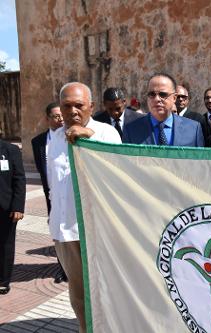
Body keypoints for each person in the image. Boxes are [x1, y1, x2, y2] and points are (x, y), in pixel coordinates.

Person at [47, 82, 121, 332]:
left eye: (79, 105)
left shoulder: (106, 134)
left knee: (105, 291)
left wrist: (91, 140)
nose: (73, 111)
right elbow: (54, 187)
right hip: (65, 230)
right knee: (77, 293)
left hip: (97, 230)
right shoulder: (54, 139)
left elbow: (117, 176)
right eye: (67, 106)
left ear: (91, 106)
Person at [31, 102, 67, 283]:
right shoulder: (37, 142)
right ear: (47, 119)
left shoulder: (71, 136)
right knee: (56, 232)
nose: (61, 119)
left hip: (69, 193)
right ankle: (62, 269)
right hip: (51, 195)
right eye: (56, 116)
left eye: (62, 115)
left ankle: (73, 269)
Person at [123, 73, 204, 147]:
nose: (157, 99)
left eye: (163, 94)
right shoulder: (131, 129)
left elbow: (199, 162)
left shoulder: (193, 129)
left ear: (174, 98)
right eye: (152, 94)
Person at [0, 140, 26, 295]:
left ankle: (3, 280)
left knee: (5, 244)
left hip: (5, 207)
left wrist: (17, 206)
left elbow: (19, 178)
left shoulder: (10, 150)